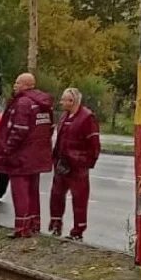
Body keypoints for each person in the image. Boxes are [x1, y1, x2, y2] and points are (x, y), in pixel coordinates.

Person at [0, 73, 54, 239]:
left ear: (26, 85)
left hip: (21, 156)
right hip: (38, 154)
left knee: (20, 192)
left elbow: (19, 130)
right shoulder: (44, 104)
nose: (14, 86)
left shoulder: (23, 103)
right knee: (33, 191)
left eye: (17, 83)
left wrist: (7, 149)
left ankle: (21, 227)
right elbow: (50, 128)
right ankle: (34, 224)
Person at [49, 87, 101, 240]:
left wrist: (86, 162)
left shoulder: (87, 118)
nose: (61, 102)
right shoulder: (64, 116)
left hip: (78, 165)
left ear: (72, 101)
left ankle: (78, 230)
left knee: (79, 198)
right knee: (56, 194)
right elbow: (60, 140)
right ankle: (56, 223)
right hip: (62, 163)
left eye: (64, 99)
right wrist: (55, 158)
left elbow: (94, 144)